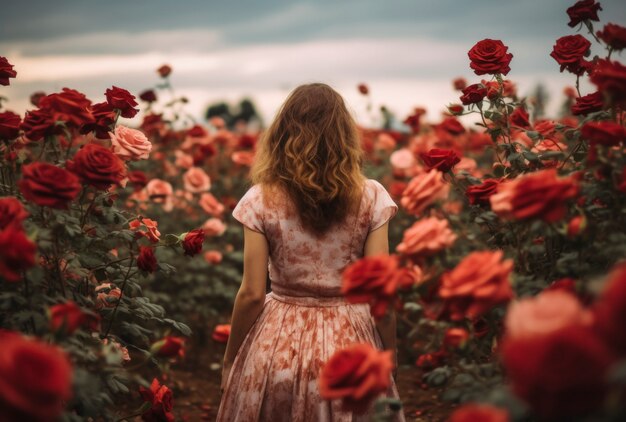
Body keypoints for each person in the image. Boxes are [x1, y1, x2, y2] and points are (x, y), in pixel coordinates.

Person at [216, 83, 405, 421]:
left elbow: (251, 294)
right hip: (351, 342)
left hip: (277, 344)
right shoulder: (372, 197)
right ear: (344, 137)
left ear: (283, 133)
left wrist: (231, 360)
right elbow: (381, 298)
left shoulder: (260, 199)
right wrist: (389, 358)